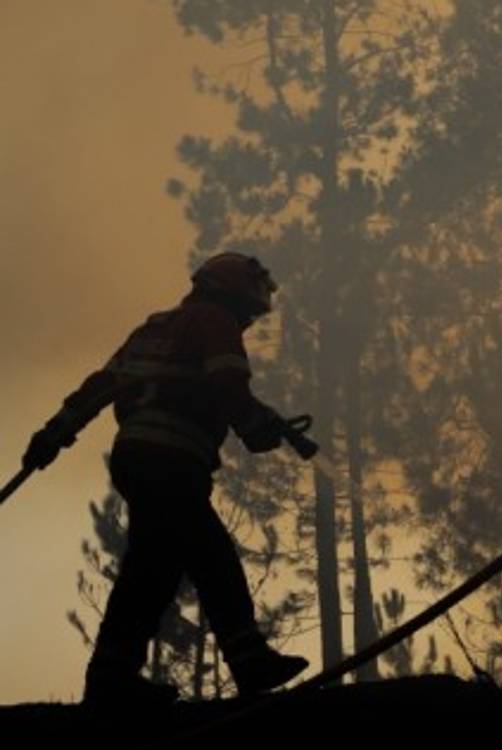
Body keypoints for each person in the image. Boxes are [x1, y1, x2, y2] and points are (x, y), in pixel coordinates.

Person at [24, 252, 311, 707]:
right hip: (173, 460)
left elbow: (101, 385)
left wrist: (52, 435)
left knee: (152, 569)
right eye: (248, 311)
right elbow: (229, 385)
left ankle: (112, 677)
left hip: (135, 457)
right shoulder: (215, 321)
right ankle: (249, 658)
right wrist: (255, 427)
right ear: (232, 296)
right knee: (211, 555)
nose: (247, 322)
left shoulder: (153, 329)